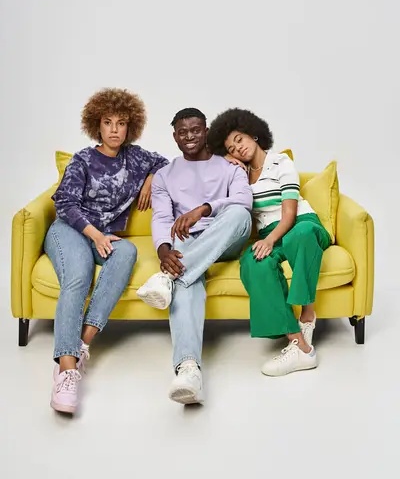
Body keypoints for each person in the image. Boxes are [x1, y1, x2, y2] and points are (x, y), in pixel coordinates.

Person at [45, 88, 168, 414]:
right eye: (107, 122)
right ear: (96, 125)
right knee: (79, 275)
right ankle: (66, 370)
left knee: (126, 251)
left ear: (131, 127)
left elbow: (165, 163)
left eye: (121, 123)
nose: (114, 129)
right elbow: (65, 203)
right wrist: (95, 234)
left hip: (106, 237)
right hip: (70, 230)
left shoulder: (136, 157)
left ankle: (83, 343)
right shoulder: (83, 160)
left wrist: (151, 178)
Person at [137, 108, 252, 405]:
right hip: (188, 245)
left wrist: (203, 209)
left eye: (196, 130)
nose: (190, 137)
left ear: (205, 131)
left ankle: (168, 278)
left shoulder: (229, 167)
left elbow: (243, 201)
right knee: (188, 280)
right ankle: (189, 370)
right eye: (183, 132)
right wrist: (164, 251)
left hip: (226, 236)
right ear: (175, 137)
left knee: (239, 213)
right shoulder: (164, 175)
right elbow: (162, 218)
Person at [207, 108, 331, 377]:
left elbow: (289, 211)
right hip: (269, 232)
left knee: (302, 236)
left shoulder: (280, 162)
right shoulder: (237, 175)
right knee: (252, 261)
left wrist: (272, 239)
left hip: (301, 222)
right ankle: (299, 345)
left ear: (254, 134)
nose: (237, 148)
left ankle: (307, 314)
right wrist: (225, 162)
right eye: (230, 147)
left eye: (239, 140)